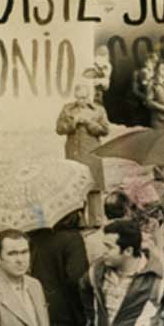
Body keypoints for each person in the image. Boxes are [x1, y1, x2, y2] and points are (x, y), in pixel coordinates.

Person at [56, 82, 111, 226]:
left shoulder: (98, 110)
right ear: (75, 96)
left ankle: (96, 222)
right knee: (76, 187)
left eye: (85, 98)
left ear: (89, 97)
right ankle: (78, 222)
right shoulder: (67, 109)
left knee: (94, 186)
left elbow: (105, 130)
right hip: (74, 153)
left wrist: (89, 123)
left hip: (92, 153)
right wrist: (73, 123)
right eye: (79, 98)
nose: (82, 101)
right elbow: (59, 129)